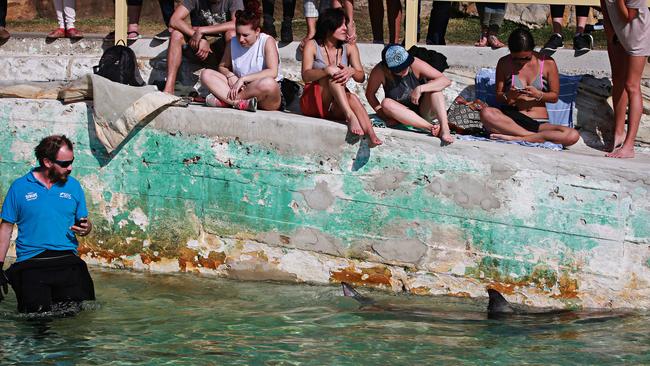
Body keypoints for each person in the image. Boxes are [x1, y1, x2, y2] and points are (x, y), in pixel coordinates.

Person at [0, 135, 95, 314]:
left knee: (73, 319)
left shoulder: (74, 187)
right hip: (31, 261)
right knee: (37, 321)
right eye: (65, 164)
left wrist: (86, 228)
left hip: (66, 260)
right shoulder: (19, 187)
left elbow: (84, 223)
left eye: (72, 162)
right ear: (47, 162)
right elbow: (5, 229)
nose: (71, 168)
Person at [479, 28, 580, 146]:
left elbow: (554, 97)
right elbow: (499, 96)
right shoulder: (504, 63)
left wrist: (539, 95)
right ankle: (530, 137)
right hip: (513, 120)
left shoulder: (548, 63)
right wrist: (509, 95)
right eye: (516, 59)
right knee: (486, 113)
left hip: (539, 123)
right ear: (510, 51)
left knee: (572, 135)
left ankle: (516, 138)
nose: (521, 62)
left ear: (532, 50)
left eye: (526, 58)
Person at [300, 8, 382, 146]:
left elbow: (361, 77)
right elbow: (305, 76)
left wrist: (352, 71)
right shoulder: (312, 45)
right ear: (329, 27)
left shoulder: (349, 47)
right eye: (341, 25)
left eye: (346, 24)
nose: (345, 29)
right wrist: (326, 70)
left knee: (353, 98)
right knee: (333, 75)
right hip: (314, 101)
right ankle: (350, 116)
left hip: (338, 103)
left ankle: (371, 134)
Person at [201, 0, 282, 112]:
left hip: (263, 94)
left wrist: (243, 79)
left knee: (269, 83)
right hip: (239, 88)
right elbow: (222, 66)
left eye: (245, 35)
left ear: (257, 31)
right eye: (238, 34)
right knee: (206, 74)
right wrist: (230, 76)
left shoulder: (267, 41)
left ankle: (226, 101)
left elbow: (272, 72)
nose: (241, 39)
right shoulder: (233, 42)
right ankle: (238, 103)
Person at [366, 44, 455, 144]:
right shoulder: (379, 71)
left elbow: (445, 81)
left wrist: (420, 88)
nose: (405, 69)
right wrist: (382, 114)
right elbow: (370, 94)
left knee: (435, 88)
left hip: (423, 109)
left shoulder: (415, 63)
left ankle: (444, 127)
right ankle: (431, 128)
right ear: (389, 69)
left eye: (406, 65)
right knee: (386, 103)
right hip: (400, 114)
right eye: (400, 69)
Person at [162, 0, 244, 95]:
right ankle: (169, 88)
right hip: (200, 43)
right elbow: (174, 20)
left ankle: (232, 85)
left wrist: (202, 30)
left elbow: (237, 23)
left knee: (232, 34)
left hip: (224, 50)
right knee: (176, 35)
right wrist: (197, 36)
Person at [601, 0, 650, 158]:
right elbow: (604, 5)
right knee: (618, 80)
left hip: (637, 31)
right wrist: (610, 32)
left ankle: (629, 145)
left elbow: (628, 16)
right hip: (618, 30)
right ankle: (619, 133)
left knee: (631, 85)